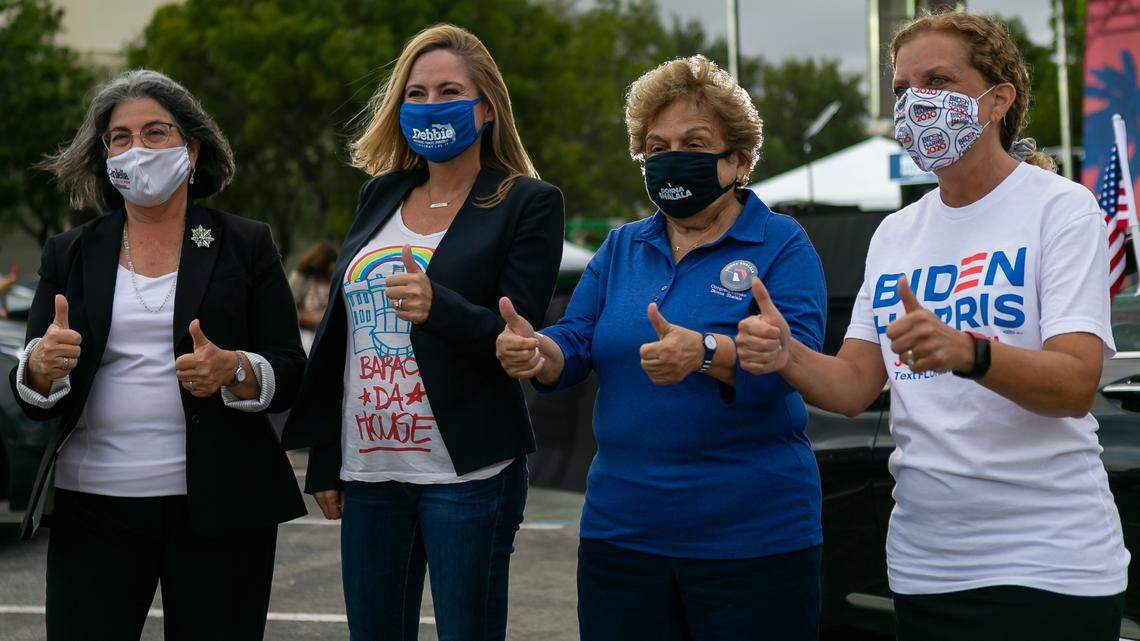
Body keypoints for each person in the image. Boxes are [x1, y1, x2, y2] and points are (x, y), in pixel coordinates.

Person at [735, 11, 1129, 641]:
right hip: (926, 566)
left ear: (998, 99)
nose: (916, 103)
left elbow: (1075, 383)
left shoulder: (1059, 208)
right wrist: (786, 355)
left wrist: (968, 352)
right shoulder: (896, 232)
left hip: (1051, 561)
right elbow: (853, 387)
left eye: (939, 80)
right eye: (901, 90)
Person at [496, 55, 826, 640]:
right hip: (622, 532)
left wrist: (706, 352)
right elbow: (577, 338)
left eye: (693, 143)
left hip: (751, 537)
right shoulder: (623, 246)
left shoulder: (782, 244)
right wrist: (541, 352)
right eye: (656, 145)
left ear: (740, 160)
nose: (672, 157)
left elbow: (796, 362)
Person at [281, 24, 564, 641]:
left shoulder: (527, 202)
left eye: (449, 91)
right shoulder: (379, 194)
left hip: (465, 472)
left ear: (485, 108)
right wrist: (328, 456)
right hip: (370, 469)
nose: (431, 106)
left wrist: (441, 307)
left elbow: (516, 336)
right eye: (417, 93)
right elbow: (343, 339)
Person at [10, 69, 307, 640]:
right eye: (120, 137)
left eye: (155, 132)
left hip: (220, 506)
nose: (136, 149)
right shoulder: (70, 251)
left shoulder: (245, 243)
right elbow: (33, 384)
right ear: (104, 155)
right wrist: (41, 370)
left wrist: (236, 369)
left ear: (191, 150)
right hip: (91, 505)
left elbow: (290, 369)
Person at [289, 240, 338, 351]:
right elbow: (287, 311)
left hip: (322, 335)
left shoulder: (331, 280)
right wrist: (311, 319)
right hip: (302, 335)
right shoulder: (301, 278)